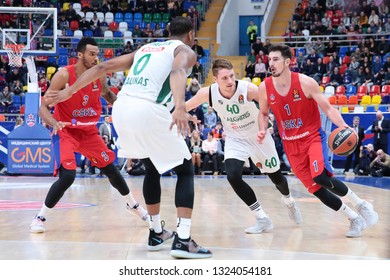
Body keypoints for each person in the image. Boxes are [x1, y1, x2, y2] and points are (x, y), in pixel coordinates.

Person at [44, 17, 212, 259]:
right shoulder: (185, 50)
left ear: (167, 32)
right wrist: (180, 106)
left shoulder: (145, 48)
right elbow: (177, 71)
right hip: (147, 109)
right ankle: (183, 241)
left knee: (152, 167)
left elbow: (101, 68)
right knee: (185, 169)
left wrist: (69, 91)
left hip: (121, 110)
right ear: (190, 35)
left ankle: (156, 232)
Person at [257, 44, 378, 238]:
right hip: (290, 144)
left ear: (288, 62)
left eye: (276, 59)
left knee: (320, 176)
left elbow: (329, 109)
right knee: (316, 189)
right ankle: (354, 218)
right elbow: (263, 113)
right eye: (269, 59)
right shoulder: (264, 87)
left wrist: (342, 126)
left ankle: (362, 205)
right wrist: (262, 129)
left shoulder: (305, 82)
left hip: (312, 137)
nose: (271, 63)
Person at [30, 37, 148, 234]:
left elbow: (108, 95)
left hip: (89, 132)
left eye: (97, 54)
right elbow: (42, 106)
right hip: (66, 131)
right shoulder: (63, 75)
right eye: (91, 54)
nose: (96, 58)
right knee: (68, 176)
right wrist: (53, 123)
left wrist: (125, 108)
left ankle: (133, 205)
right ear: (80, 55)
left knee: (111, 169)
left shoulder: (98, 74)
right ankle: (40, 217)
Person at [186, 58, 302, 233]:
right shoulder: (207, 93)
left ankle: (288, 200)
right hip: (235, 138)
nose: (230, 81)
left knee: (277, 177)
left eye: (232, 76)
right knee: (232, 175)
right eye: (224, 78)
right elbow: (183, 108)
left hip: (258, 136)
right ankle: (262, 218)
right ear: (215, 79)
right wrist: (184, 116)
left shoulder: (248, 89)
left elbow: (272, 103)